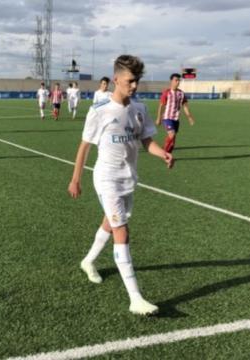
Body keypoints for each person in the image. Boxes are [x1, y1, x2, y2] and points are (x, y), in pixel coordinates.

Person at [68, 55, 174, 316]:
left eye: (137, 81)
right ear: (116, 79)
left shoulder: (139, 109)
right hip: (106, 179)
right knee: (122, 231)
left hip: (128, 178)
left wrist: (163, 154)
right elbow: (84, 147)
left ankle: (88, 261)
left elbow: (147, 141)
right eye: (129, 80)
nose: (134, 85)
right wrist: (75, 179)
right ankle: (135, 298)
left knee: (110, 223)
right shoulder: (99, 110)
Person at [155, 73, 195, 154]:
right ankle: (164, 153)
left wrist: (190, 117)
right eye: (176, 80)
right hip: (167, 118)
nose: (178, 82)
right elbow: (161, 106)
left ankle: (168, 153)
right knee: (172, 134)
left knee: (172, 140)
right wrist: (158, 118)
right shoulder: (166, 92)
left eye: (179, 80)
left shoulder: (181, 93)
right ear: (171, 81)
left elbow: (185, 107)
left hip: (176, 119)